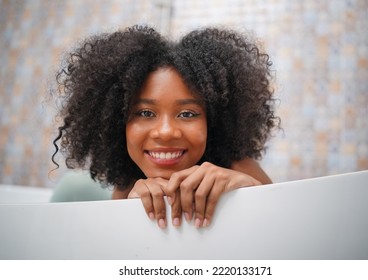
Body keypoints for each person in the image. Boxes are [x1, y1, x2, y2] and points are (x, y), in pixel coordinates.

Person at [52, 25, 279, 229]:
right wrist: (130, 214)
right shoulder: (126, 183)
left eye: (187, 113)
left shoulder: (237, 167)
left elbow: (283, 233)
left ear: (213, 121)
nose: (166, 131)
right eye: (145, 113)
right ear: (117, 123)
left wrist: (250, 190)